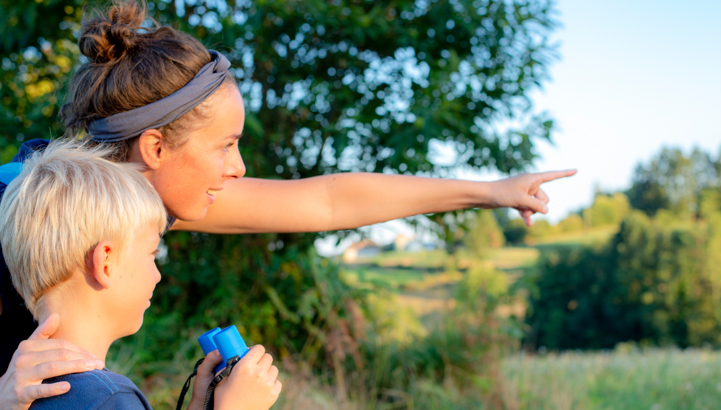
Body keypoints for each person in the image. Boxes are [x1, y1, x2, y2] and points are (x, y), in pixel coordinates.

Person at [0, 1, 575, 408]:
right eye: (225, 145)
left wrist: (489, 191)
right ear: (154, 148)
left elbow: (323, 202)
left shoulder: (126, 205)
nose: (240, 167)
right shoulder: (16, 212)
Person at [0, 140, 282, 410]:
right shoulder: (110, 399)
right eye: (152, 255)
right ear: (105, 262)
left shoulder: (21, 390)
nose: (157, 276)